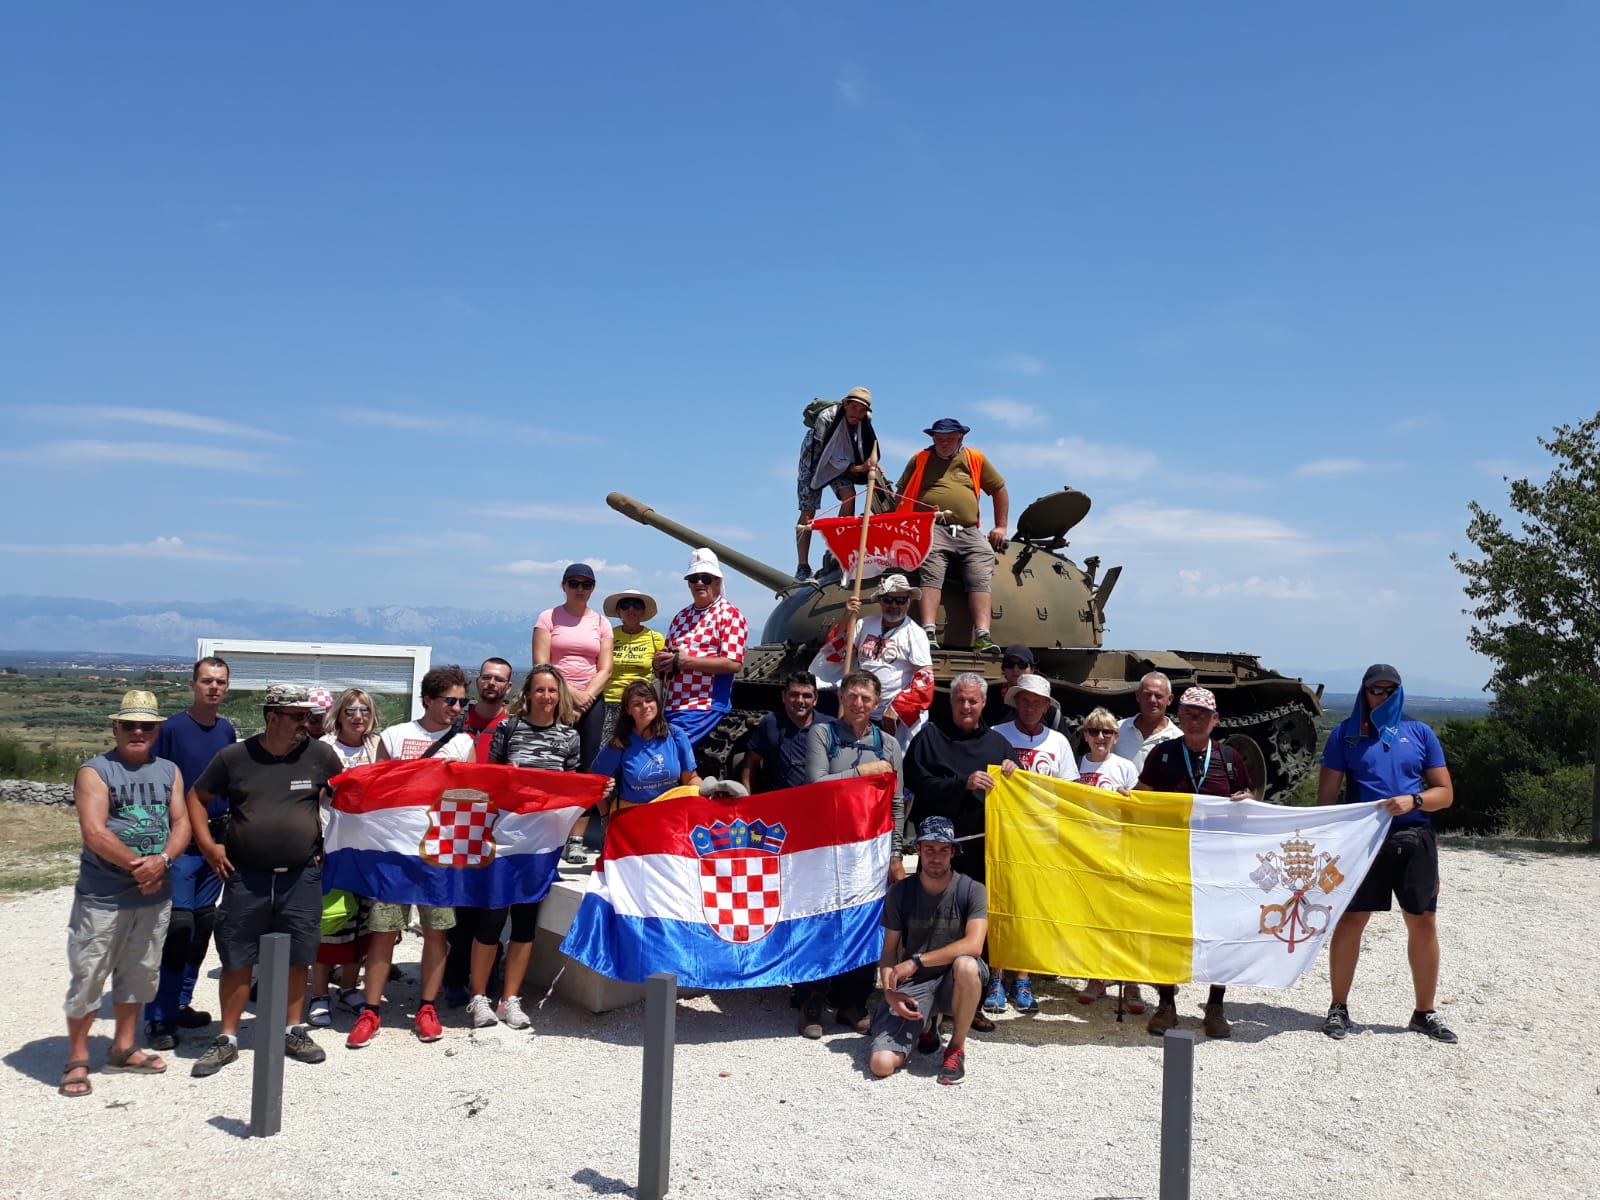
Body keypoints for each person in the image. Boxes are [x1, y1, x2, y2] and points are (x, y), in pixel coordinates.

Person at [187, 683, 340, 1077]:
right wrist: (208, 846)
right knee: (237, 956)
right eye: (297, 716)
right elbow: (196, 798)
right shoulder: (234, 757)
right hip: (246, 877)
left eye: (308, 716)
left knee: (299, 956)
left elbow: (346, 797)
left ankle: (293, 1030)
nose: (306, 723)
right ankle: (227, 1038)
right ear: (272, 716)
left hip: (301, 876)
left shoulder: (320, 755)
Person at [59, 690, 191, 1097]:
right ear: (116, 727)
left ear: (157, 730)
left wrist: (163, 862)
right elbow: (95, 831)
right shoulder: (95, 772)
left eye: (146, 726)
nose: (138, 732)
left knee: (140, 973)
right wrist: (141, 868)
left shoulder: (169, 771)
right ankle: (77, 1058)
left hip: (154, 894)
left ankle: (124, 1047)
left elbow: (181, 822)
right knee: (90, 974)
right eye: (130, 725)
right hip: (104, 896)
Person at [1317, 664, 1457, 1044]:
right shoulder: (1344, 734)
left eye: (1389, 690)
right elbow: (1326, 798)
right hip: (1363, 841)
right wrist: (1328, 842)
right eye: (1375, 690)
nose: (1382, 696)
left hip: (1414, 836)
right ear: (1363, 692)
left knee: (1423, 921)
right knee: (1351, 921)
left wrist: (1414, 800)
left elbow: (1445, 793)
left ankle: (1424, 1012)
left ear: (1399, 692)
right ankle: (1338, 1008)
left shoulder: (1420, 732)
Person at [347, 665, 475, 1050]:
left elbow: (471, 798)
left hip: (439, 851)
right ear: (428, 699)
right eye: (450, 700)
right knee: (383, 931)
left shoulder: (463, 743)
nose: (457, 708)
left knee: (437, 932)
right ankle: (371, 1010)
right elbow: (376, 791)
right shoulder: (394, 735)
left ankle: (427, 1008)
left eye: (462, 702)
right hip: (395, 851)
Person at [1135, 686, 1254, 1038]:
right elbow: (1143, 794)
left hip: (1218, 862)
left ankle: (1215, 1006)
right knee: (1168, 930)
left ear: (1215, 719)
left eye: (1202, 714)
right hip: (1171, 857)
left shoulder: (1230, 757)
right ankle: (1166, 1004)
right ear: (1179, 715)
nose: (1194, 718)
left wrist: (1247, 799)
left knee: (1220, 932)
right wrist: (1125, 798)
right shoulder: (1163, 754)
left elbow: (1248, 795)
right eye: (1188, 712)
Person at [472, 665, 583, 1031]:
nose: (546, 697)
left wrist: (597, 790)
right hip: (504, 840)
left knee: (524, 923)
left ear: (559, 695)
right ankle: (479, 998)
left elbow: (572, 790)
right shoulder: (509, 727)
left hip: (542, 845)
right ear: (528, 693)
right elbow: (489, 782)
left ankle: (510, 999)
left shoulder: (570, 737)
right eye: (540, 690)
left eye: (552, 690)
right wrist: (510, 778)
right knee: (491, 920)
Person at [903, 672, 1016, 1032]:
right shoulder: (929, 738)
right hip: (937, 852)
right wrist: (961, 784)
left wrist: (1015, 771)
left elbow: (1015, 793)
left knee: (975, 925)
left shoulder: (999, 744)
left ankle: (972, 1003)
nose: (966, 706)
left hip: (982, 851)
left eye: (973, 701)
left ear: (983, 703)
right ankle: (924, 999)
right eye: (960, 700)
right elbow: (916, 781)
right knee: (931, 924)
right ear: (950, 702)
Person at [798, 670, 906, 1038]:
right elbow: (816, 785)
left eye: (866, 698)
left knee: (862, 924)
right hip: (824, 848)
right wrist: (863, 771)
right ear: (841, 698)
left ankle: (852, 1001)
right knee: (819, 922)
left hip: (866, 854)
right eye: (852, 696)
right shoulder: (822, 734)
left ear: (876, 703)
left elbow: (896, 805)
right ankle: (812, 999)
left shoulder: (888, 745)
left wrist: (895, 854)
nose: (858, 704)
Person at [142, 656, 235, 1052]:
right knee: (176, 930)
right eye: (206, 681)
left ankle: (180, 1002)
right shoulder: (172, 730)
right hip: (180, 843)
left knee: (202, 926)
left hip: (215, 842)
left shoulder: (226, 730)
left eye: (220, 682)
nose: (213, 687)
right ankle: (158, 1016)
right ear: (192, 685)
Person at [869, 816, 989, 1086]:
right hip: (916, 983)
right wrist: (889, 993)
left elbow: (974, 945)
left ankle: (956, 1048)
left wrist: (916, 962)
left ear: (953, 853)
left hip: (954, 980)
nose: (936, 857)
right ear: (918, 850)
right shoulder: (900, 892)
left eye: (943, 850)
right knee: (881, 1065)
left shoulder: (972, 890)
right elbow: (888, 952)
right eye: (929, 849)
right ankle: (926, 1025)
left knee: (967, 965)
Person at [985, 672, 1077, 1014]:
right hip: (1005, 833)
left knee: (1030, 908)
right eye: (1024, 700)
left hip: (1041, 837)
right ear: (1015, 702)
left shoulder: (1059, 742)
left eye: (1036, 702)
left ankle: (1022, 976)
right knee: (1000, 903)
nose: (1029, 707)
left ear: (1045, 706)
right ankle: (996, 976)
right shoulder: (996, 734)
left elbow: (1068, 790)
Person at [894, 417, 1009, 655]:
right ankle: (928, 632)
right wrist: (906, 522)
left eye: (949, 439)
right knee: (931, 571)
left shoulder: (975, 458)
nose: (943, 443)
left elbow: (998, 490)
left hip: (968, 530)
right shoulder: (920, 459)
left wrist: (1001, 526)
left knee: (981, 572)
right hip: (931, 526)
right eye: (939, 439)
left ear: (960, 438)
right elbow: (901, 493)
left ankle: (983, 636)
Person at [309, 686, 382, 1027]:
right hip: (332, 844)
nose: (358, 717)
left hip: (368, 846)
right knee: (330, 919)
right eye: (351, 710)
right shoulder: (323, 748)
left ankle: (350, 986)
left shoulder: (377, 746)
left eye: (364, 710)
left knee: (362, 922)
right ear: (338, 714)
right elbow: (312, 797)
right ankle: (319, 993)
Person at [809, 573, 934, 751]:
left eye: (900, 600)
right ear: (881, 601)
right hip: (860, 711)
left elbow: (925, 678)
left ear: (908, 603)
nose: (894, 605)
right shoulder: (864, 624)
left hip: (893, 719)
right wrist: (847, 615)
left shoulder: (915, 634)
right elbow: (838, 651)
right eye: (889, 600)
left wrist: (897, 709)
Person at [1072, 706, 1144, 1013]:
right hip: (1086, 853)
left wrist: (1130, 800)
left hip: (1117, 852)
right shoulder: (1077, 765)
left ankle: (1131, 981)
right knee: (1093, 918)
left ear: (1115, 737)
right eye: (1094, 731)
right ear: (1085, 736)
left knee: (1124, 919)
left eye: (1107, 732)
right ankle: (1096, 976)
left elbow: (1140, 808)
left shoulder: (1125, 767)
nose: (1100, 737)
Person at [654, 548, 749, 751]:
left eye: (705, 577)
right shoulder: (680, 617)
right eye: (693, 578)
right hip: (671, 705)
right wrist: (660, 663)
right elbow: (671, 657)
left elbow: (733, 663)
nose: (699, 583)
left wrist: (687, 662)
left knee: (667, 755)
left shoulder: (730, 615)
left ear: (717, 581)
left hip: (703, 705)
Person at [795, 386, 880, 581]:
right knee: (808, 511)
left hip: (843, 458)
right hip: (813, 460)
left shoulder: (865, 420)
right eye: (854, 408)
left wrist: (871, 464)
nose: (857, 414)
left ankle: (838, 549)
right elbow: (822, 452)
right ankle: (802, 565)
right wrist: (856, 468)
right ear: (846, 404)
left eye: (862, 410)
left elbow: (866, 444)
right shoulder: (826, 418)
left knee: (849, 496)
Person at [592, 679, 702, 814]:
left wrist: (711, 790)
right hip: (632, 812)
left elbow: (690, 779)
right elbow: (594, 780)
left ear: (657, 703)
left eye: (649, 700)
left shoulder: (676, 735)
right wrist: (604, 815)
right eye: (637, 704)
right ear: (628, 710)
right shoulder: (620, 742)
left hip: (670, 810)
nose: (645, 706)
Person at [742, 670, 835, 795]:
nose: (800, 701)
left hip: (818, 799)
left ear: (815, 699)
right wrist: (748, 798)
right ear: (784, 696)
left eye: (807, 696)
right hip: (778, 800)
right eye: (794, 695)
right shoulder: (770, 723)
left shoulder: (830, 727)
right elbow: (751, 763)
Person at [601, 588, 665, 749]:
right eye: (626, 605)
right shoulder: (608, 635)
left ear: (643, 611)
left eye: (637, 605)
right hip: (611, 701)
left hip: (641, 704)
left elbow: (663, 674)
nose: (631, 609)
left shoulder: (655, 638)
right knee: (608, 750)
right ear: (618, 611)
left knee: (638, 750)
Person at [984, 645, 1064, 731]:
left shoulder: (1049, 708)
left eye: (1022, 665)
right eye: (1009, 664)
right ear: (1003, 669)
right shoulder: (988, 703)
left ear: (1032, 669)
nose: (1015, 669)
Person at [1114, 671, 1182, 769]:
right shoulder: (1118, 729)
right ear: (1138, 696)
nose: (1152, 700)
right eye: (1147, 694)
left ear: (1170, 699)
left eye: (1158, 696)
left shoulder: (1177, 739)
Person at [464, 658, 513, 762]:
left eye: (499, 679)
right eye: (486, 677)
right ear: (477, 682)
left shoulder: (513, 726)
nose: (491, 683)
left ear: (508, 687)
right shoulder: (457, 720)